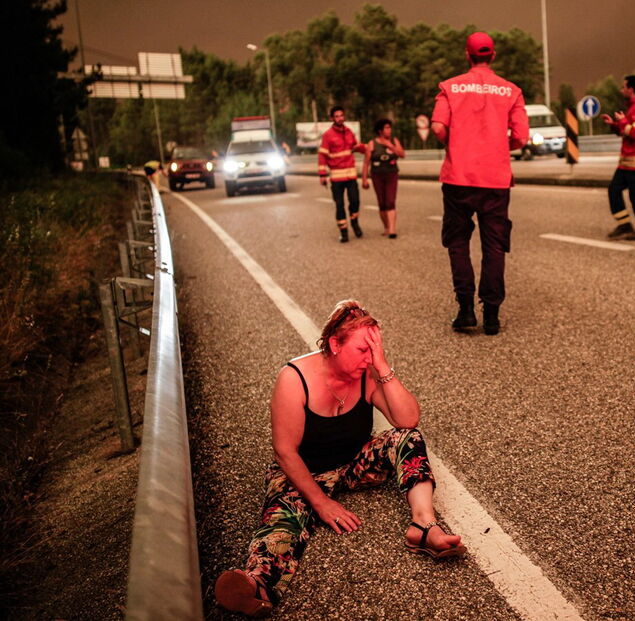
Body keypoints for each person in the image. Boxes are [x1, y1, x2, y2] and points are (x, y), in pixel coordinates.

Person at [215, 300, 466, 618]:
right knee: (285, 522)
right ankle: (255, 585)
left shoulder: (368, 373)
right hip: (304, 472)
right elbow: (285, 452)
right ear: (335, 344)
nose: (369, 358)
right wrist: (321, 503)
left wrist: (383, 365)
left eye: (374, 349)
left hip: (352, 465)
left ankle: (423, 525)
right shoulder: (294, 379)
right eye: (363, 349)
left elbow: (407, 420)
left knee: (408, 440)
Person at [430, 31, 529, 335]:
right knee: (494, 246)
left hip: (458, 178)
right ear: (493, 56)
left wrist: (457, 144)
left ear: (467, 55)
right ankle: (492, 316)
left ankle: (465, 310)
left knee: (458, 242)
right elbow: (522, 137)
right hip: (495, 180)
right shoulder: (511, 91)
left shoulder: (450, 87)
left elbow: (437, 128)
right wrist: (499, 147)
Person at [601, 74, 635, 241]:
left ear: (631, 89)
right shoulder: (632, 106)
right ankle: (625, 224)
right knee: (614, 190)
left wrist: (623, 121)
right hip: (627, 161)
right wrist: (615, 125)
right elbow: (627, 131)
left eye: (624, 87)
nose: (621, 90)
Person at [319, 107, 367, 243]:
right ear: (332, 118)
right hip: (337, 177)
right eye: (337, 116)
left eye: (341, 115)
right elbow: (322, 155)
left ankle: (354, 222)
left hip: (351, 175)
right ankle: (344, 232)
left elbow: (356, 146)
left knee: (355, 201)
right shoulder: (328, 135)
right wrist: (322, 174)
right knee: (339, 205)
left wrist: (365, 148)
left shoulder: (349, 132)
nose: (340, 118)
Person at [361, 118, 406, 238]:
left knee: (390, 201)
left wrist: (391, 146)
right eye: (387, 128)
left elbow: (402, 154)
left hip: (391, 174)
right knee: (382, 203)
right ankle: (386, 227)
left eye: (390, 127)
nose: (389, 130)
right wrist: (364, 179)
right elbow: (366, 163)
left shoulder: (394, 141)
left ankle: (392, 229)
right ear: (380, 131)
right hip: (377, 175)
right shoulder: (372, 143)